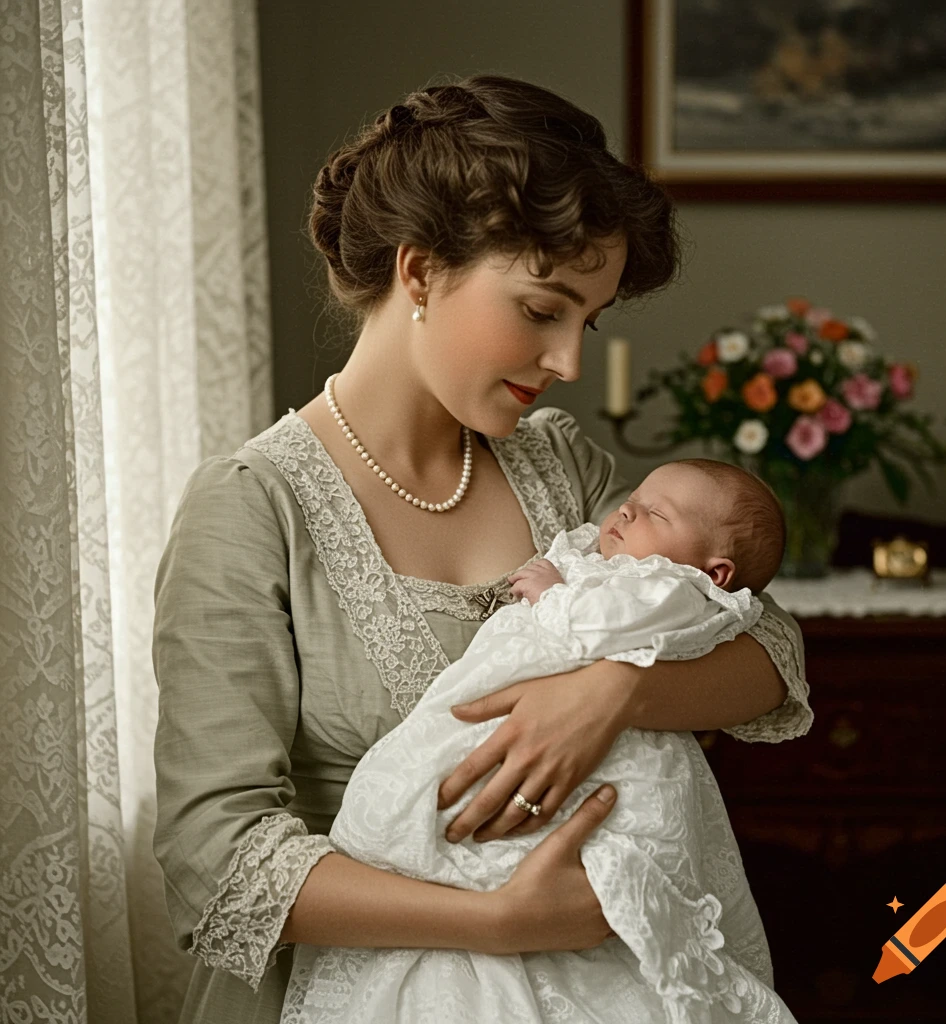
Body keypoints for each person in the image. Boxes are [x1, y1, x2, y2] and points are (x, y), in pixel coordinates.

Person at [151, 74, 813, 1024]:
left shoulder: (562, 469)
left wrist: (612, 692)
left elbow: (765, 648)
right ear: (419, 272)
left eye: (590, 321)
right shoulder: (254, 507)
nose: (570, 363)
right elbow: (215, 867)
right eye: (544, 310)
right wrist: (497, 921)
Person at [281, 458, 799, 1023]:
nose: (625, 509)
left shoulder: (664, 583)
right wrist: (501, 918)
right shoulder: (263, 491)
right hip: (380, 917)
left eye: (654, 512)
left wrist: (614, 688)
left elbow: (772, 638)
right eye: (634, 497)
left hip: (609, 777)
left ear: (715, 574)